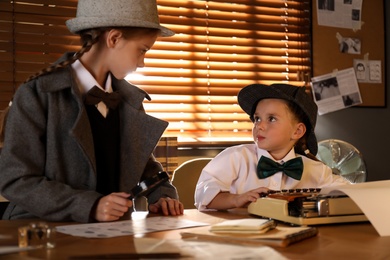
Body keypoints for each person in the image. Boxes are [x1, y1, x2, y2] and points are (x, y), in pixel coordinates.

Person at [0, 0, 183, 222]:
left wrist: (161, 196)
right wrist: (90, 205)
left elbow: (145, 167)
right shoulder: (37, 94)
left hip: (114, 235)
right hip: (43, 233)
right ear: (114, 38)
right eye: (142, 50)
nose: (142, 63)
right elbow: (15, 179)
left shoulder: (129, 100)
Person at [195, 83, 350, 211]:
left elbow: (352, 194)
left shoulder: (317, 170)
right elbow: (204, 194)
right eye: (257, 118)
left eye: (271, 119)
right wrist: (235, 199)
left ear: (297, 131)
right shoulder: (235, 157)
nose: (259, 126)